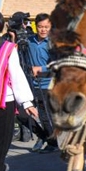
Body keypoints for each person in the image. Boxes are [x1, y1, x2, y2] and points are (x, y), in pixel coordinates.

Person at [0, 12, 39, 171]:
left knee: (1, 146)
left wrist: (27, 102)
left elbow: (16, 74)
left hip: (4, 102)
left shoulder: (7, 48)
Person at [27, 13, 58, 153]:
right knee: (29, 115)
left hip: (48, 84)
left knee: (46, 115)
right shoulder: (29, 41)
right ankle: (45, 137)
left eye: (46, 27)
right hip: (32, 84)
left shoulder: (53, 43)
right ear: (36, 26)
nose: (43, 30)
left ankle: (52, 143)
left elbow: (58, 64)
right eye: (40, 27)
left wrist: (41, 68)